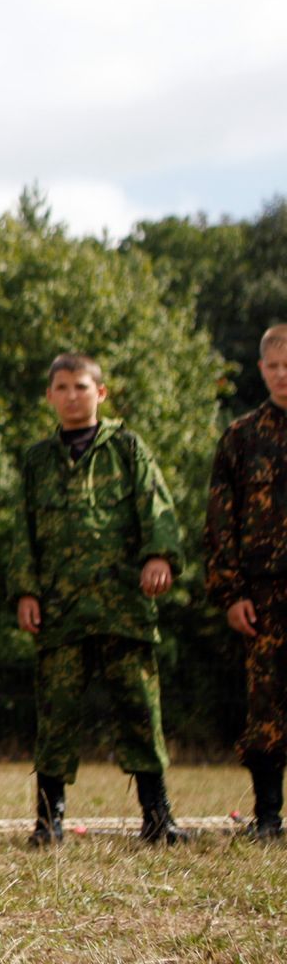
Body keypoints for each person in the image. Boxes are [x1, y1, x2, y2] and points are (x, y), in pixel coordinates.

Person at [10, 352, 186, 846]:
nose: (71, 395)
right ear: (49, 397)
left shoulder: (127, 448)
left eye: (81, 386)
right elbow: (23, 532)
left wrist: (160, 556)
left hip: (122, 605)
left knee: (139, 710)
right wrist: (25, 589)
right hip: (61, 611)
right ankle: (48, 822)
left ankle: (157, 817)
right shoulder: (38, 461)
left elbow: (157, 506)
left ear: (101, 394)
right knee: (57, 716)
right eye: (62, 387)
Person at [205, 323, 287, 844]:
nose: (284, 375)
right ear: (261, 370)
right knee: (267, 708)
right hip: (264, 597)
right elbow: (219, 522)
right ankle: (268, 816)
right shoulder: (242, 436)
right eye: (276, 366)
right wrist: (231, 594)